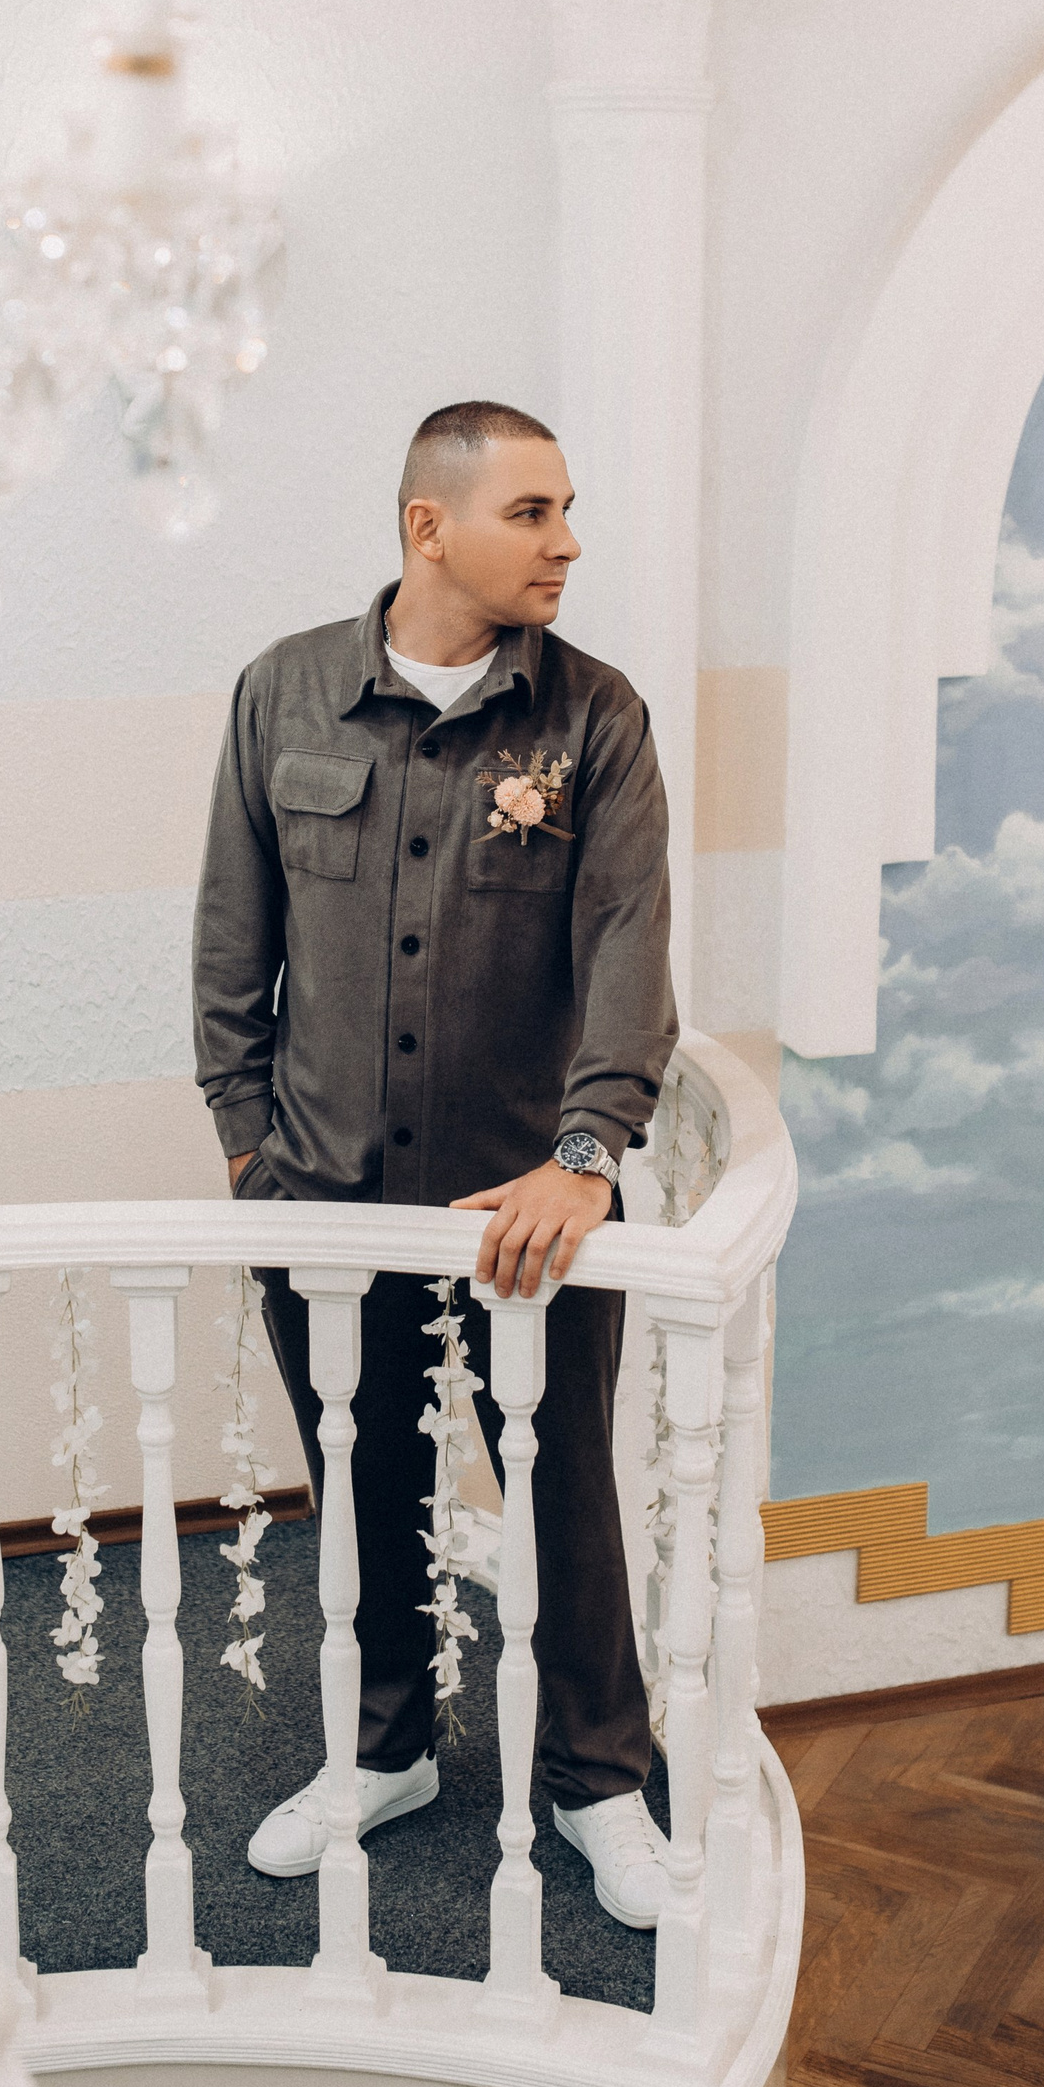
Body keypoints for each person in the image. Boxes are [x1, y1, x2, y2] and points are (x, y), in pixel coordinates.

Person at [192, 398, 678, 1927]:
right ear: (430, 526)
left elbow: (630, 954)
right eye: (533, 511)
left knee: (564, 1493)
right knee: (362, 1478)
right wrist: (252, 1148)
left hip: (528, 1206)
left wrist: (584, 1157)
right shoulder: (283, 694)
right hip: (324, 1198)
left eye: (566, 508)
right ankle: (386, 1749)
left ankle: (600, 1780)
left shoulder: (597, 719)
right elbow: (232, 939)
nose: (567, 541)